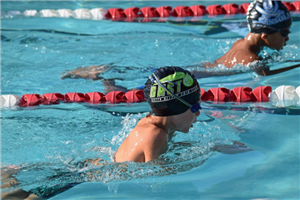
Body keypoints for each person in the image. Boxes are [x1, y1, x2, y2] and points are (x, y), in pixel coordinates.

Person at [1, 67, 251, 199]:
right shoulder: (156, 135)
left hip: (90, 167)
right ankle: (9, 177)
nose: (198, 115)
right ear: (173, 107)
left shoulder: (155, 124)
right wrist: (207, 152)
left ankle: (11, 176)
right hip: (85, 178)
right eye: (195, 107)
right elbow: (157, 183)